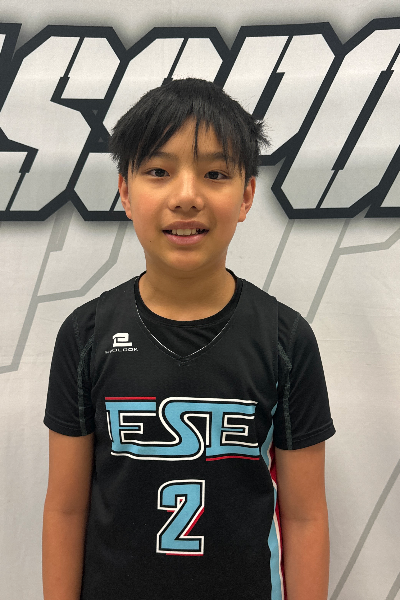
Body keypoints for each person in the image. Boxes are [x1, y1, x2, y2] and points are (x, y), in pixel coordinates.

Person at [42, 77, 335, 600]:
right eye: (159, 171)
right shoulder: (86, 335)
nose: (186, 197)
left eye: (215, 174)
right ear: (125, 191)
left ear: (247, 195)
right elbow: (66, 508)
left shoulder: (285, 339)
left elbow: (306, 515)